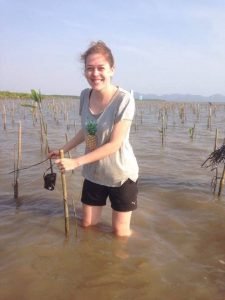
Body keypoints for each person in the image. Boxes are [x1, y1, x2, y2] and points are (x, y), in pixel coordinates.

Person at [49, 41, 139, 237]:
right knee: (87, 226)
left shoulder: (124, 99)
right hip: (94, 173)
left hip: (120, 175)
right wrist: (64, 149)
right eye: (90, 69)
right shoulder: (84, 95)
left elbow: (114, 144)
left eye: (101, 68)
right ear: (84, 72)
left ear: (112, 70)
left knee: (120, 233)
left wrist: (76, 162)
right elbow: (88, 130)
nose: (95, 74)